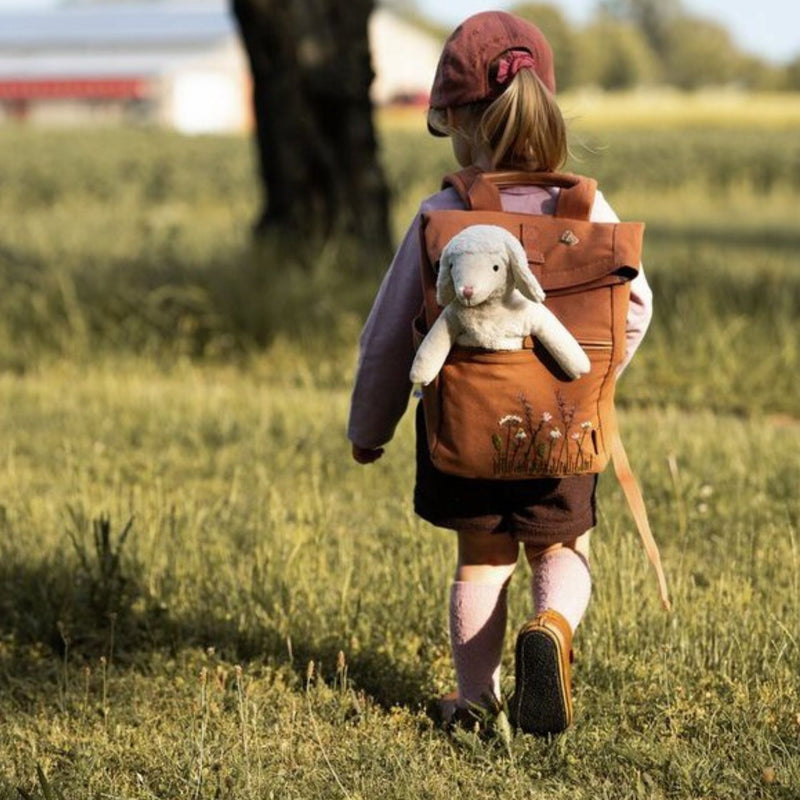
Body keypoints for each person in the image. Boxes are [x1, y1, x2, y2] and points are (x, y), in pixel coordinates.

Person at [347, 11, 653, 735]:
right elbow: (635, 307)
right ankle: (550, 627)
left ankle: (474, 700)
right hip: (563, 425)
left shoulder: (442, 214)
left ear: (457, 120)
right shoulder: (587, 208)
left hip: (466, 429)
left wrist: (371, 426)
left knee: (482, 560)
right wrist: (589, 384)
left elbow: (390, 337)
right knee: (562, 546)